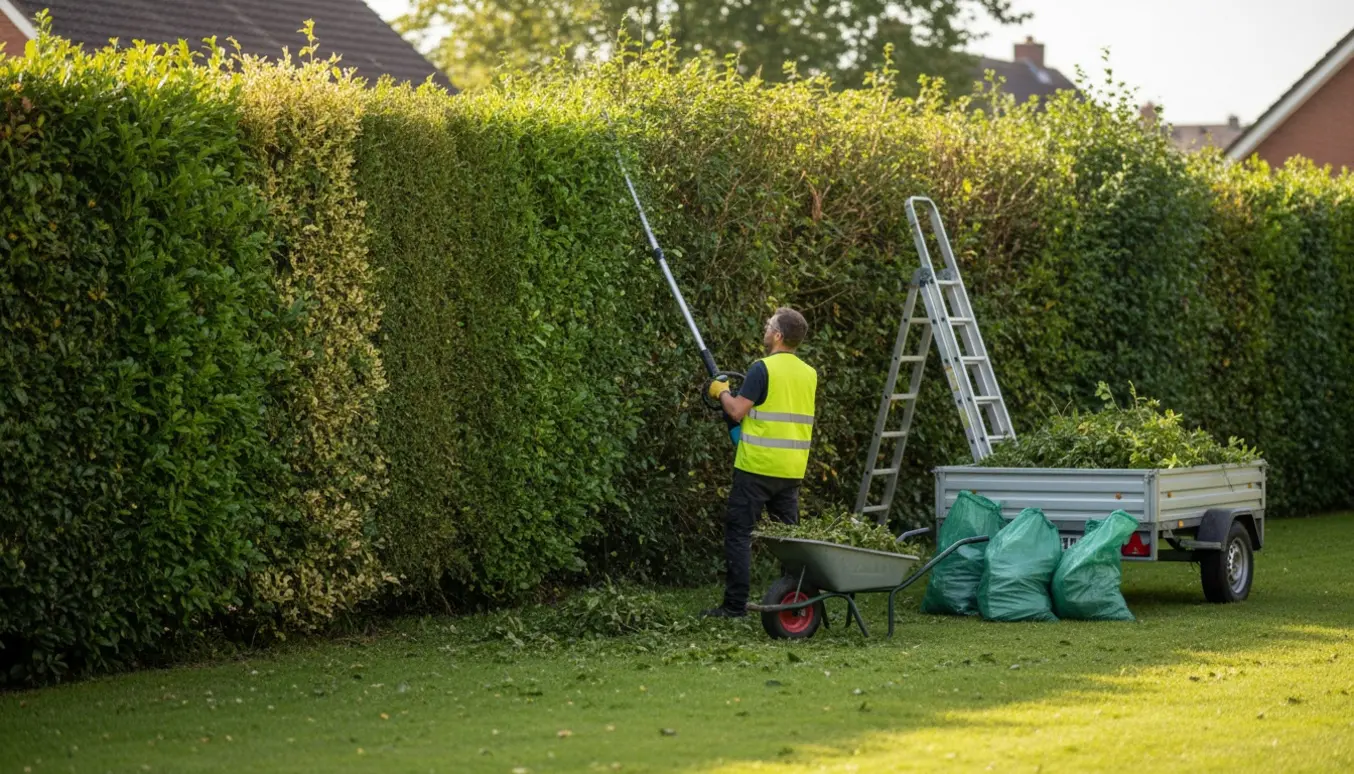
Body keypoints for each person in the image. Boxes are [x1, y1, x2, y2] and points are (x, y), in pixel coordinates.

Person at [702, 307, 818, 618]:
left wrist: (722, 392)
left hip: (756, 467)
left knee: (739, 534)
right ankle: (796, 602)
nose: (765, 330)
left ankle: (734, 606)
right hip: (790, 469)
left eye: (768, 326)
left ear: (778, 335)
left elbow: (737, 410)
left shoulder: (762, 369)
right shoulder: (809, 373)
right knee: (789, 540)